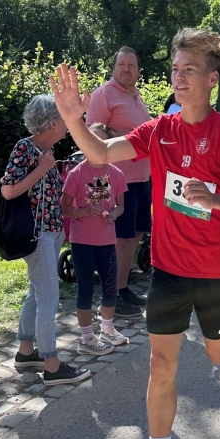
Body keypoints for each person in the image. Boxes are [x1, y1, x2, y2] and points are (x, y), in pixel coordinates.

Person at [50, 28, 220, 439]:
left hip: (218, 271)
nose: (179, 77)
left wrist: (215, 200)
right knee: (161, 365)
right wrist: (72, 119)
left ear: (212, 78)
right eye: (174, 69)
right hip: (169, 270)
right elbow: (100, 153)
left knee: (217, 353)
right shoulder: (159, 130)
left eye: (190, 70)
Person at [0, 94, 90, 384]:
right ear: (52, 122)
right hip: (38, 235)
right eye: (64, 118)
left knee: (36, 293)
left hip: (50, 233)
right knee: (49, 298)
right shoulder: (26, 148)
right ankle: (52, 365)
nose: (67, 125)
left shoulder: (46, 150)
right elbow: (8, 190)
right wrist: (40, 170)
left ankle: (27, 352)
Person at [86, 47, 152, 318]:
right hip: (118, 181)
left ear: (138, 71)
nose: (127, 69)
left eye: (132, 65)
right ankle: (109, 298)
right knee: (118, 239)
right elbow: (92, 137)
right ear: (113, 68)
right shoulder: (104, 94)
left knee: (133, 236)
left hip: (141, 178)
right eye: (122, 64)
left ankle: (122, 288)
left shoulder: (135, 95)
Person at [61, 122, 130, 354]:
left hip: (107, 241)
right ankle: (87, 336)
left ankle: (107, 329)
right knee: (86, 288)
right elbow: (64, 208)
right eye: (90, 141)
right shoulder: (76, 173)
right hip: (82, 242)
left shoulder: (116, 173)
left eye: (100, 141)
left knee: (110, 287)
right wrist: (84, 212)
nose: (95, 146)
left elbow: (120, 206)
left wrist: (113, 214)